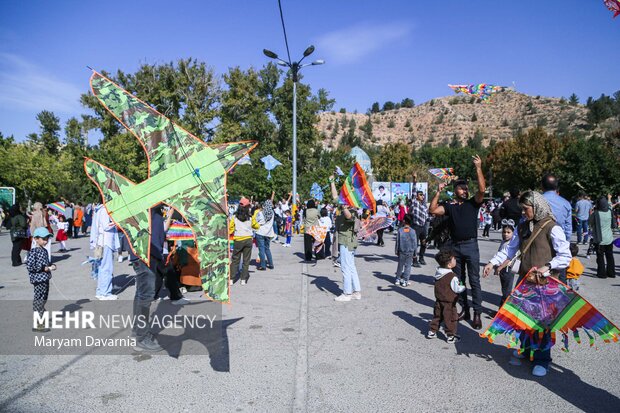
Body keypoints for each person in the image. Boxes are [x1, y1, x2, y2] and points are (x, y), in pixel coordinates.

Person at [483, 190, 571, 377]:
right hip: (525, 281)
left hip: (545, 284)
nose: (523, 213)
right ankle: (525, 349)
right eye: (522, 209)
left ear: (536, 206)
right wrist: (492, 262)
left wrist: (548, 266)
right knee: (523, 318)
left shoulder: (552, 227)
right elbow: (509, 250)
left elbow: (565, 256)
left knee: (542, 323)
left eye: (526, 209)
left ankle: (542, 360)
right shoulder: (522, 226)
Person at [429, 155, 486, 330]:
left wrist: (478, 168)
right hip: (456, 247)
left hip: (471, 246)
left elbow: (482, 190)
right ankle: (465, 309)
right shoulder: (450, 206)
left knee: (474, 280)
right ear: (455, 191)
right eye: (461, 188)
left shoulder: (472, 204)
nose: (465, 190)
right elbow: (432, 210)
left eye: (466, 188)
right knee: (459, 281)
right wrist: (438, 191)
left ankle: (477, 313)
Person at [330, 175, 361, 302]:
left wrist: (344, 208)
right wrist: (332, 182)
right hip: (347, 242)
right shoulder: (345, 204)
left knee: (345, 267)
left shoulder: (354, 210)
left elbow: (349, 217)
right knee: (351, 266)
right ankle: (356, 292)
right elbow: (334, 197)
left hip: (347, 242)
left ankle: (347, 293)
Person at [427, 249, 466, 343]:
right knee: (451, 318)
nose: (455, 260)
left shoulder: (438, 272)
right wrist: (463, 287)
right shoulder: (452, 276)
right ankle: (451, 336)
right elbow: (457, 289)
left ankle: (432, 331)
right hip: (449, 302)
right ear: (449, 264)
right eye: (454, 259)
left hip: (439, 300)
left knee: (437, 316)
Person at [28, 227, 56, 332]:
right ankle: (38, 324)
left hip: (45, 279)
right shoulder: (33, 252)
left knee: (43, 299)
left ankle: (40, 313)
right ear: (36, 239)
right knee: (38, 300)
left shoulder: (44, 251)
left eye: (47, 239)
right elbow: (30, 266)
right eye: (43, 239)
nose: (46, 241)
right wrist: (42, 268)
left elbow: (47, 263)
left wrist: (52, 265)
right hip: (38, 279)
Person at [482, 219, 517, 306]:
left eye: (508, 232)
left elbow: (509, 258)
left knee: (507, 291)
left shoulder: (512, 244)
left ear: (513, 233)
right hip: (503, 270)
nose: (505, 234)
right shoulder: (504, 242)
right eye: (504, 232)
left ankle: (503, 309)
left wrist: (500, 268)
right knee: (504, 289)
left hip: (507, 269)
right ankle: (502, 308)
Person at [90, 203, 120, 300]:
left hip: (103, 242)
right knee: (106, 268)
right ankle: (105, 292)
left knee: (102, 267)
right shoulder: (104, 210)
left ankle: (101, 291)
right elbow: (106, 226)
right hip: (106, 242)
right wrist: (117, 221)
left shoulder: (100, 209)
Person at [229, 197, 258, 285]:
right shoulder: (250, 217)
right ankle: (243, 279)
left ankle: (231, 279)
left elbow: (230, 229)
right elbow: (256, 226)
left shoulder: (234, 217)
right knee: (246, 260)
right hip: (248, 239)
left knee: (235, 260)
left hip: (238, 239)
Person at [589, 196, 616, 279]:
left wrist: (591, 214)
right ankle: (611, 273)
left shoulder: (596, 213)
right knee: (610, 256)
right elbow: (613, 224)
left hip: (599, 239)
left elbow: (590, 223)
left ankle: (602, 273)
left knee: (600, 257)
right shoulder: (610, 212)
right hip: (609, 238)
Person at [394, 215, 418, 287]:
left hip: (401, 250)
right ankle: (405, 280)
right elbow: (415, 243)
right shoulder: (413, 231)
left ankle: (397, 279)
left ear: (404, 220)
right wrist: (415, 253)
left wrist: (396, 250)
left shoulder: (400, 230)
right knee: (408, 266)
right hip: (410, 251)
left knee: (400, 265)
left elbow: (397, 241)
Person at [255, 194, 276, 271]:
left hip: (260, 232)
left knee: (261, 249)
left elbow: (256, 221)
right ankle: (271, 264)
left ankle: (263, 265)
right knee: (267, 249)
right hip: (269, 233)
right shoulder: (272, 213)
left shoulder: (260, 213)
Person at [409, 186, 429, 267]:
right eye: (420, 194)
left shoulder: (424, 206)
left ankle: (421, 258)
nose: (422, 196)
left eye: (423, 195)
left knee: (424, 243)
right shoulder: (414, 203)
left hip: (423, 227)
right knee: (415, 244)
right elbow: (413, 192)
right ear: (417, 196)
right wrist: (414, 180)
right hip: (415, 226)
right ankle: (414, 260)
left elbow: (427, 217)